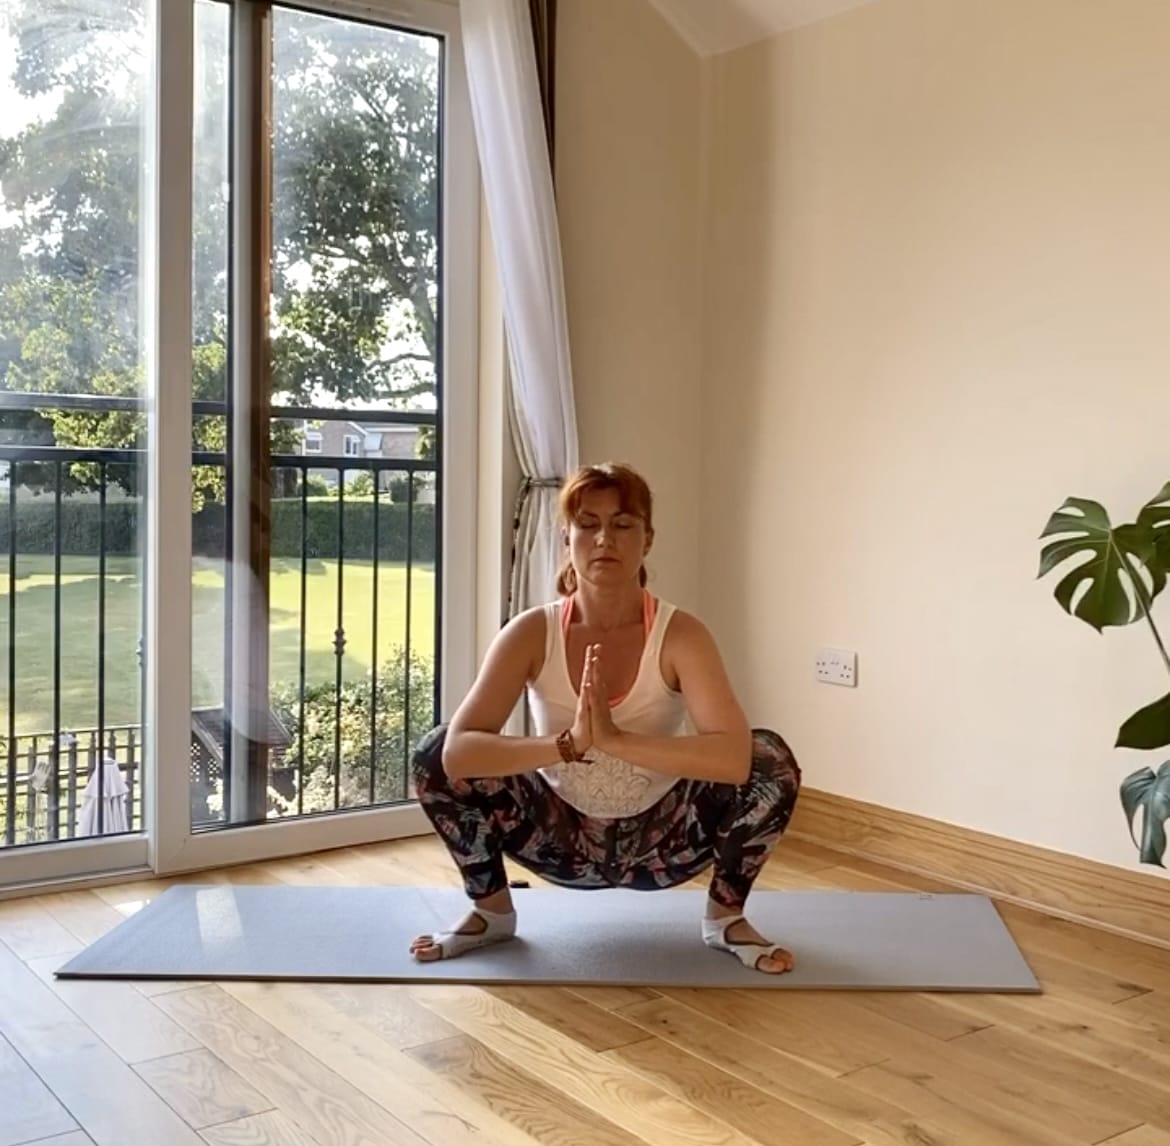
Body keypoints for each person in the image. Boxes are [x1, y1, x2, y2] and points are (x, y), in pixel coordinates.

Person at [409, 462, 802, 973]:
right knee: (433, 752)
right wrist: (569, 744)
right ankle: (491, 912)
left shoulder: (682, 635)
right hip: (557, 839)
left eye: (622, 524)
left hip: (662, 843)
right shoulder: (531, 633)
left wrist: (614, 739)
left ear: (648, 538)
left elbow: (733, 757)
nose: (604, 539)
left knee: (769, 759)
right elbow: (458, 753)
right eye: (588, 524)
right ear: (567, 537)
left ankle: (726, 919)